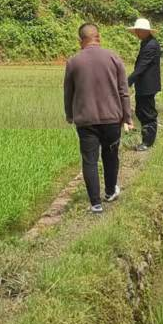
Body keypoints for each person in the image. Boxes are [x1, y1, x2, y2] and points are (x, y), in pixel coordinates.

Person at [63, 23, 133, 213]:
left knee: (89, 160)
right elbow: (123, 90)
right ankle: (110, 192)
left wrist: (70, 115)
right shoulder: (113, 57)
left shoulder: (73, 62)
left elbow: (68, 92)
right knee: (111, 156)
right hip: (111, 118)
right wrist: (127, 116)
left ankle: (95, 204)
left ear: (81, 40)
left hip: (85, 121)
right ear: (98, 37)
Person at [126, 16, 163, 149]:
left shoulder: (151, 45)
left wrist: (128, 81)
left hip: (148, 85)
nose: (136, 33)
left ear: (145, 31)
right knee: (141, 111)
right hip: (144, 85)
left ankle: (147, 142)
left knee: (147, 113)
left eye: (138, 30)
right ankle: (146, 138)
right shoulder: (146, 42)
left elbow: (142, 66)